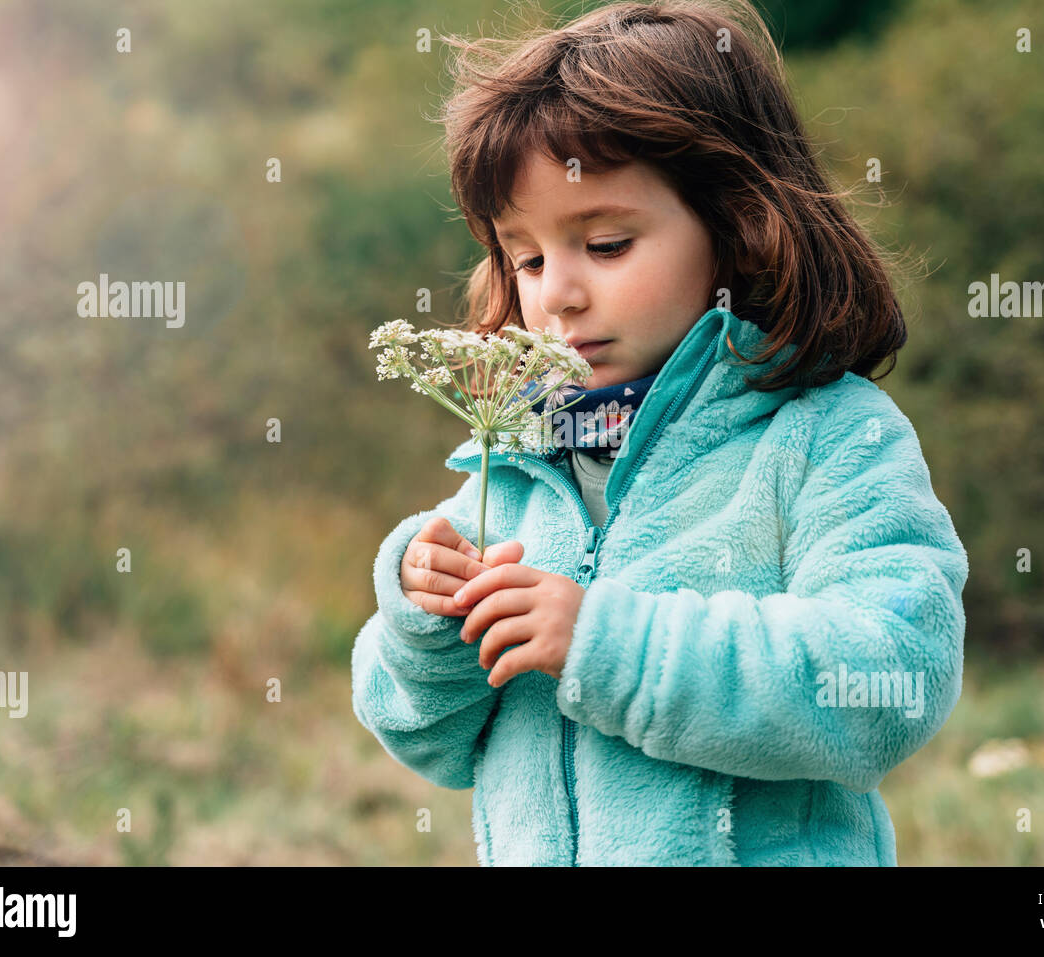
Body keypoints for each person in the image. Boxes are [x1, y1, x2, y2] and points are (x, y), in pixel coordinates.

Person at [352, 0, 968, 866]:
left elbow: (894, 675)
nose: (556, 294)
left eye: (604, 243)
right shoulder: (519, 458)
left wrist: (608, 645)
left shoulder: (827, 434)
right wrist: (425, 618)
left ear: (739, 226)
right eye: (527, 258)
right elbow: (433, 744)